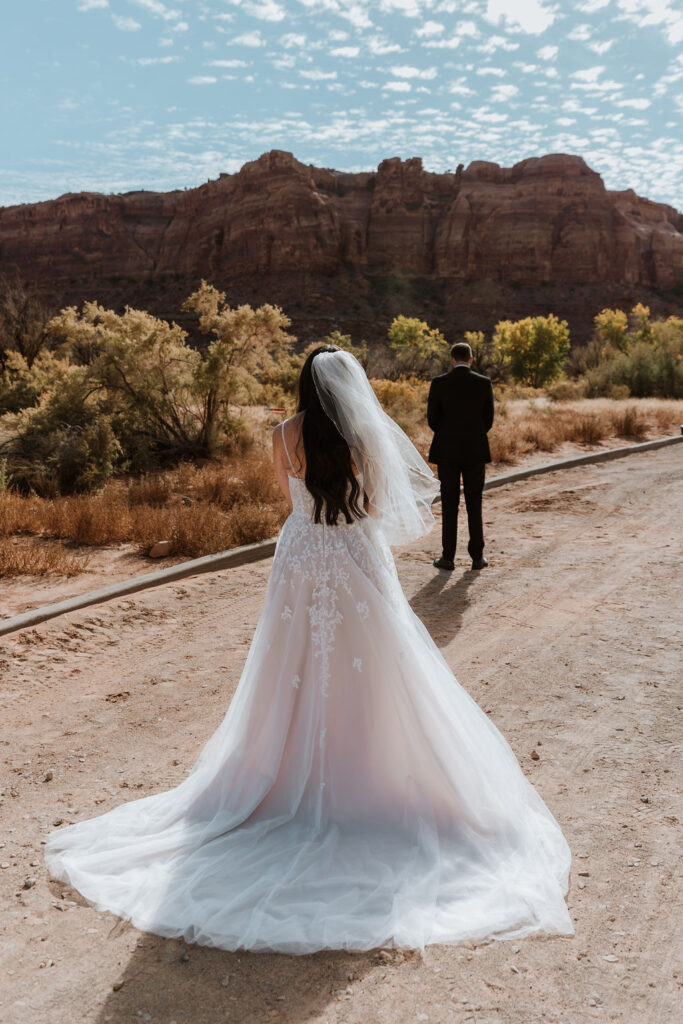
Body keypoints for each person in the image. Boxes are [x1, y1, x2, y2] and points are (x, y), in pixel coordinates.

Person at [46, 345, 572, 954]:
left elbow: (287, 500)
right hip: (353, 555)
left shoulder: (282, 433)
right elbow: (375, 506)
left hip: (300, 559)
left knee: (288, 666)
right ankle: (373, 774)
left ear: (304, 386)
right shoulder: (365, 439)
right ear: (351, 391)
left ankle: (280, 774)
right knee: (377, 668)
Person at [427, 341, 495, 572]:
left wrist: (448, 434)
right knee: (475, 503)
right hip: (475, 451)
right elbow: (488, 420)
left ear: (452, 359)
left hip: (447, 452)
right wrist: (473, 435)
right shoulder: (484, 383)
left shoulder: (439, 383)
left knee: (449, 504)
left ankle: (448, 557)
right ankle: (477, 557)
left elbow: (432, 420)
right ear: (471, 359)